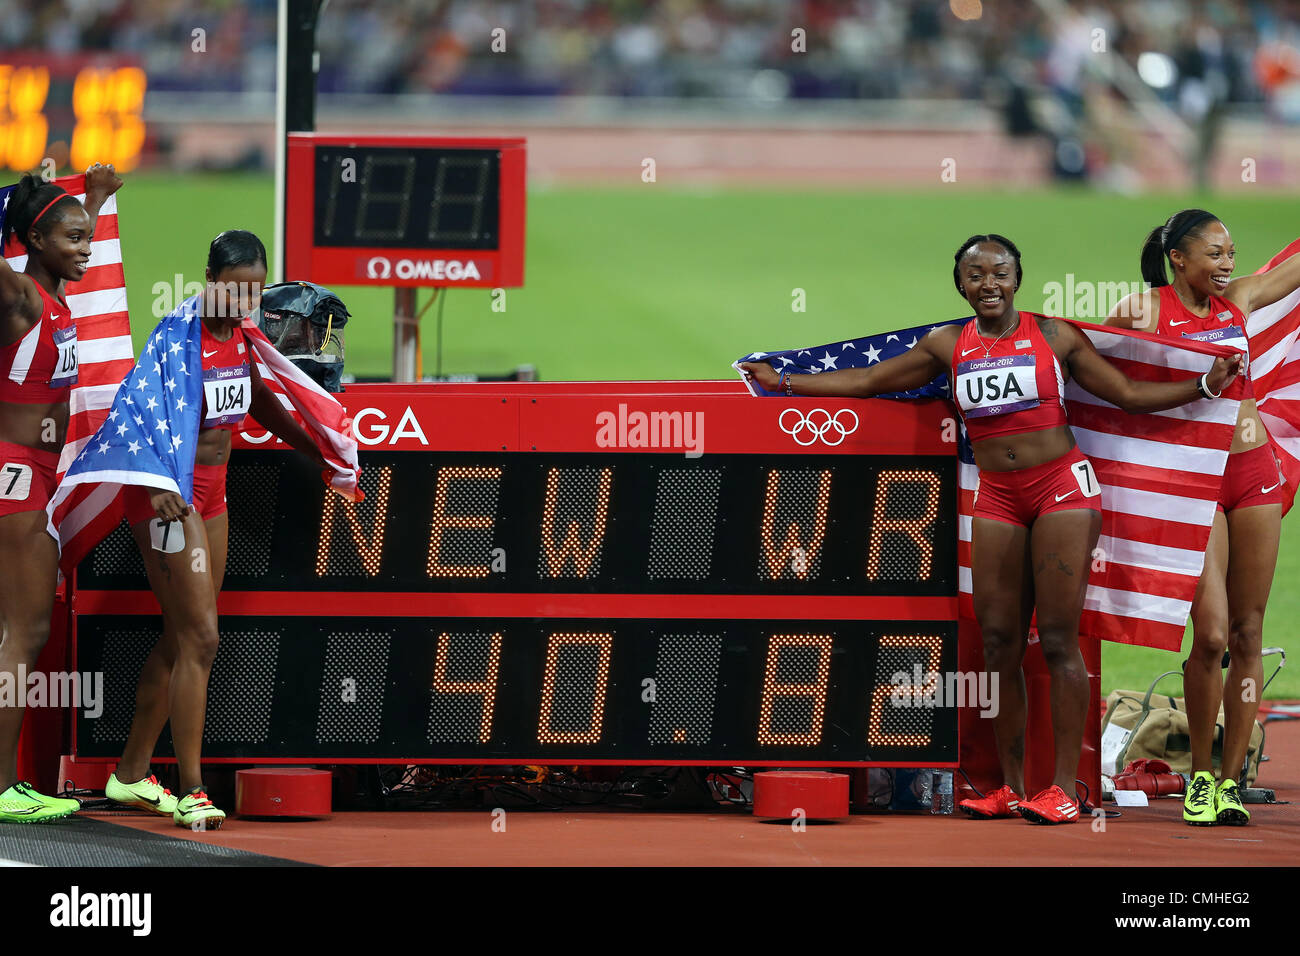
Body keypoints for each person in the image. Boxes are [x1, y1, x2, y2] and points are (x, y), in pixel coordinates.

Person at [741, 234, 1241, 824]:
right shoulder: (948, 344)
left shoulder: (1054, 337)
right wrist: (785, 382)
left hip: (1060, 491)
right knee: (1000, 645)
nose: (988, 284)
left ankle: (1062, 790)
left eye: (999, 272)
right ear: (961, 284)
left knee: (1057, 642)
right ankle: (1008, 786)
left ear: (1017, 278)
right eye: (975, 275)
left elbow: (1127, 395)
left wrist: (1204, 386)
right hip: (998, 497)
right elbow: (870, 381)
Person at [101, 230, 331, 829]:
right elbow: (132, 412)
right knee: (203, 638)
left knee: (182, 638)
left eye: (254, 290)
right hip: (167, 499)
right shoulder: (177, 338)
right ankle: (194, 789)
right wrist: (157, 489)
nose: (243, 300)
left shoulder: (243, 336)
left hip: (213, 496)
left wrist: (317, 449)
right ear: (209, 279)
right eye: (233, 290)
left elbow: (258, 401)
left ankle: (128, 776)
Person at [1106, 209, 1300, 826]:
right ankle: (1197, 780)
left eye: (1232, 252)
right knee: (1211, 635)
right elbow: (1093, 373)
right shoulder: (1141, 312)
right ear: (1179, 260)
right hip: (1195, 485)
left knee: (1247, 633)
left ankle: (1228, 781)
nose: (1228, 265)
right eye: (1214, 254)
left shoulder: (1238, 301)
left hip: (1255, 475)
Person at [0, 165, 122, 823]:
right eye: (73, 238)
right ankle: (2, 791)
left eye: (87, 237)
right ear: (33, 240)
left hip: (32, 479)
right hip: (14, 475)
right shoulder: (18, 294)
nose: (85, 248)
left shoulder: (52, 295)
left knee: (13, 634)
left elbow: (67, 235)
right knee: (25, 635)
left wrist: (95, 200)